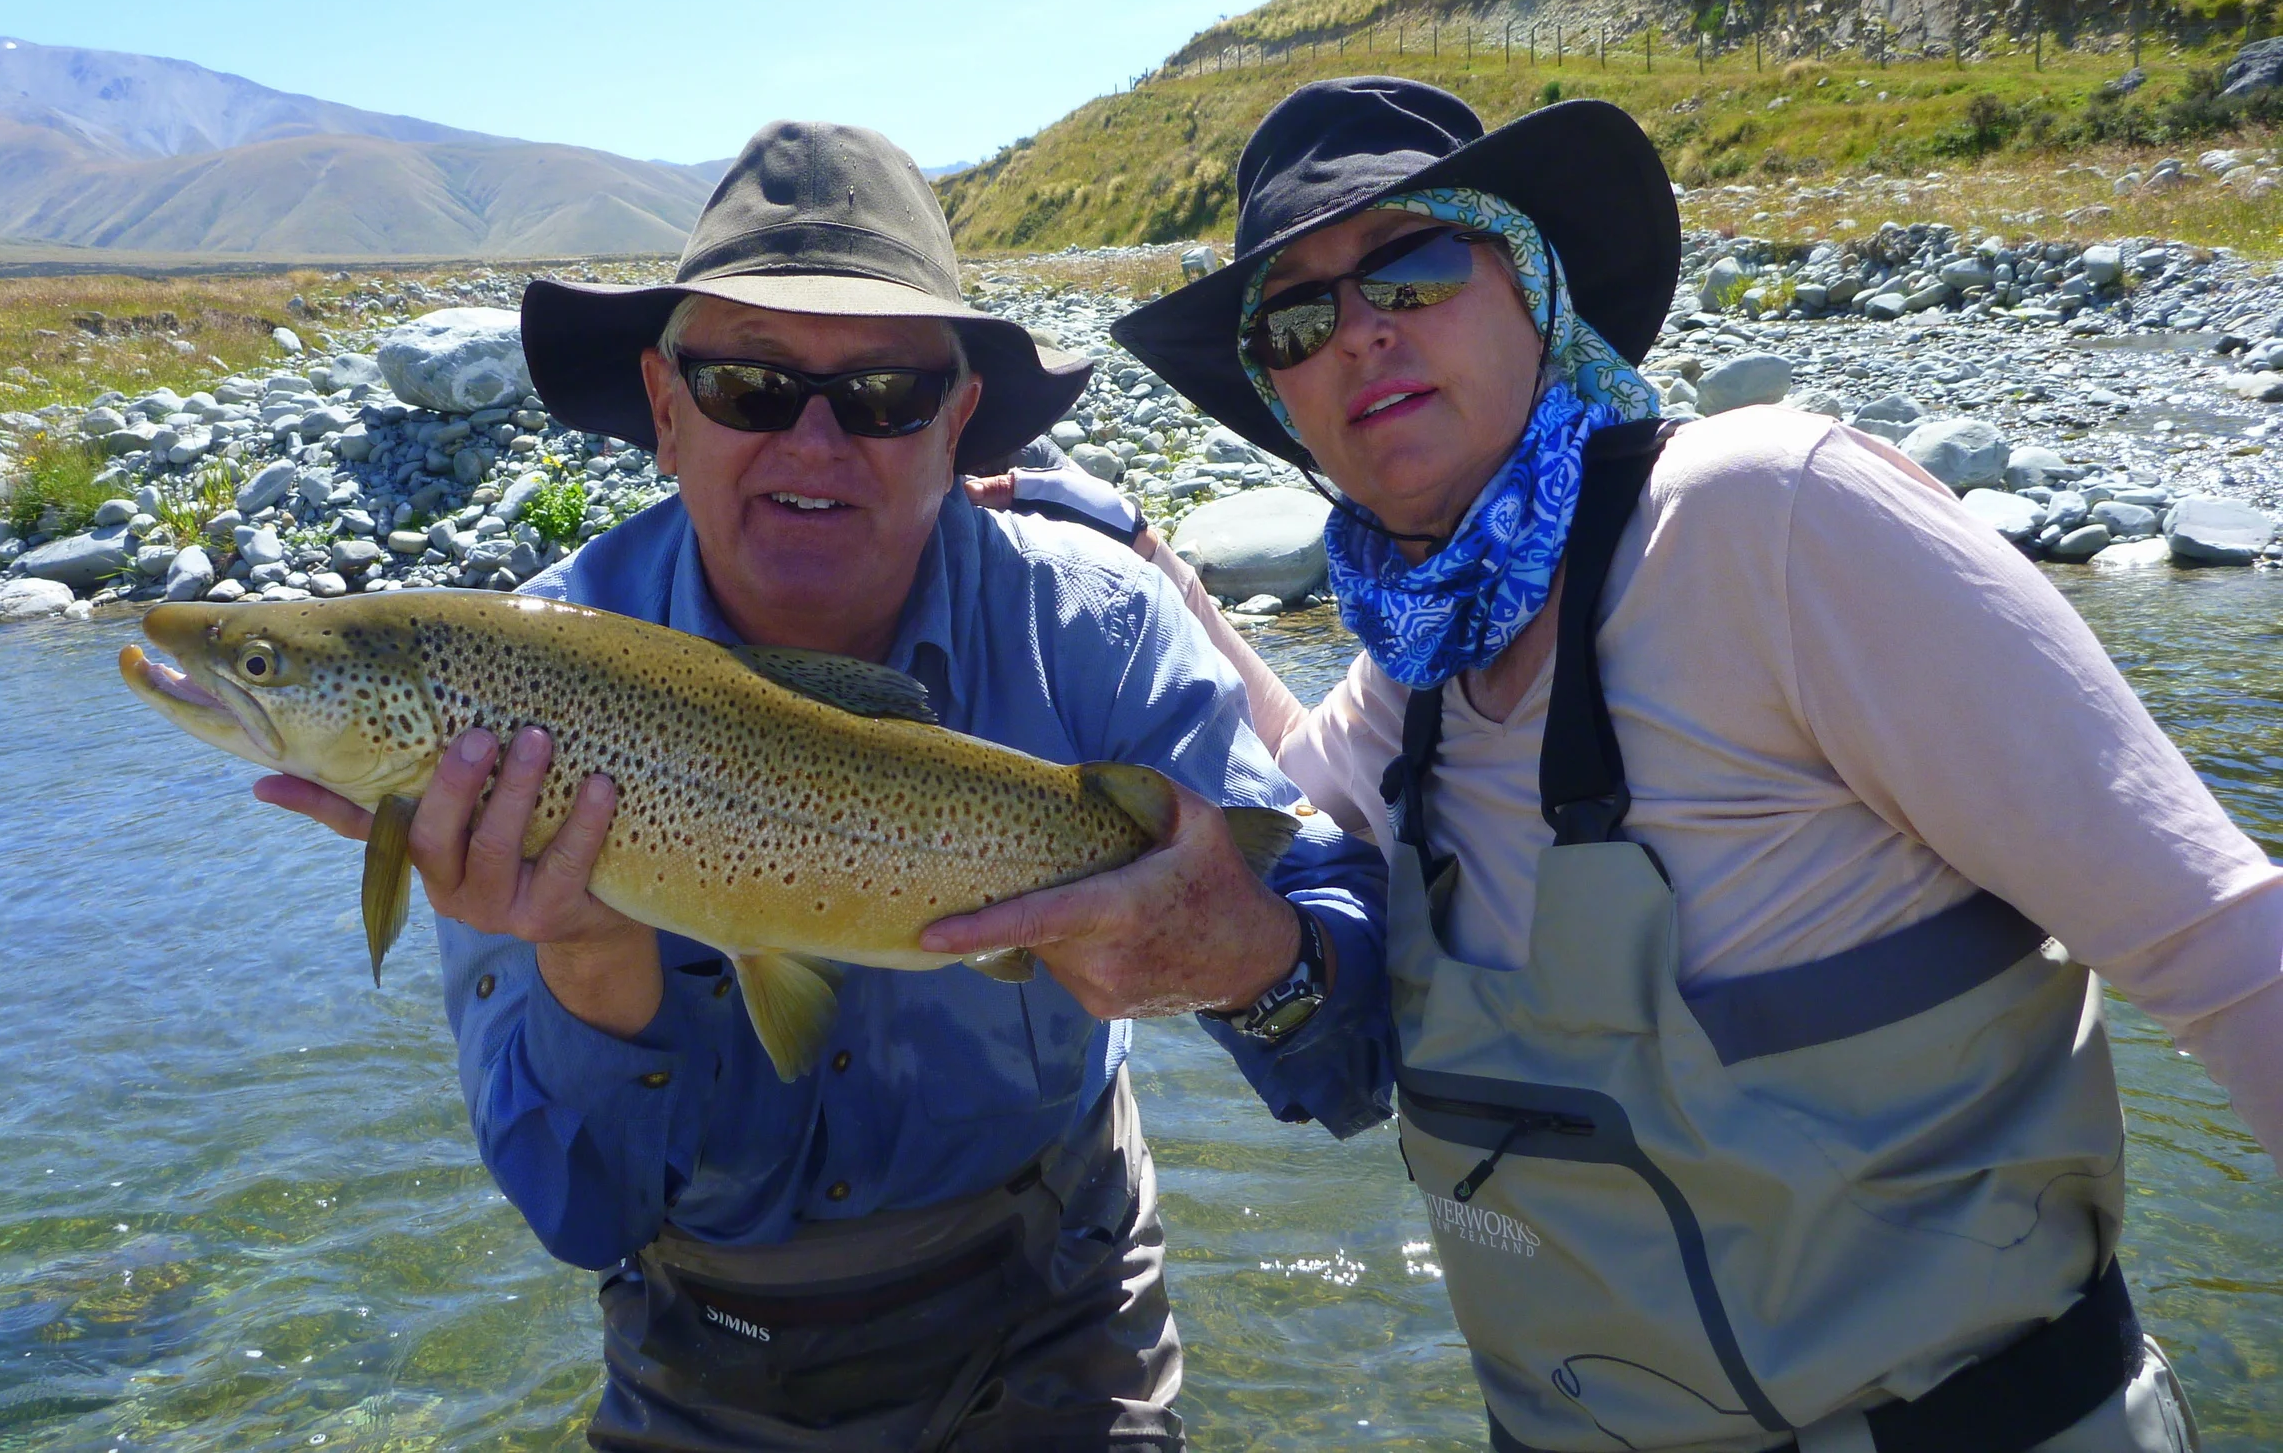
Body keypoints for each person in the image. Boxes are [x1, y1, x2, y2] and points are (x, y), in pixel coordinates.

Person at [927, 76, 2283, 1452]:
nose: (1358, 336)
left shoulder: (1769, 523)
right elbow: (1289, 803)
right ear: (1278, 392)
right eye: (1298, 315)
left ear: (1531, 280)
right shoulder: (1425, 667)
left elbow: (2229, 945)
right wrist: (1145, 562)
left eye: (1412, 265)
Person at [258, 118, 1391, 1452]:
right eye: (748, 384)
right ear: (666, 410)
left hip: (1063, 1320)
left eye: (882, 395)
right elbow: (583, 1216)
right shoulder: (514, 695)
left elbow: (1361, 1048)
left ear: (960, 420)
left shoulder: (1097, 631)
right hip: (708, 1362)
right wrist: (594, 958)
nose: (813, 441)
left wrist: (1254, 951)